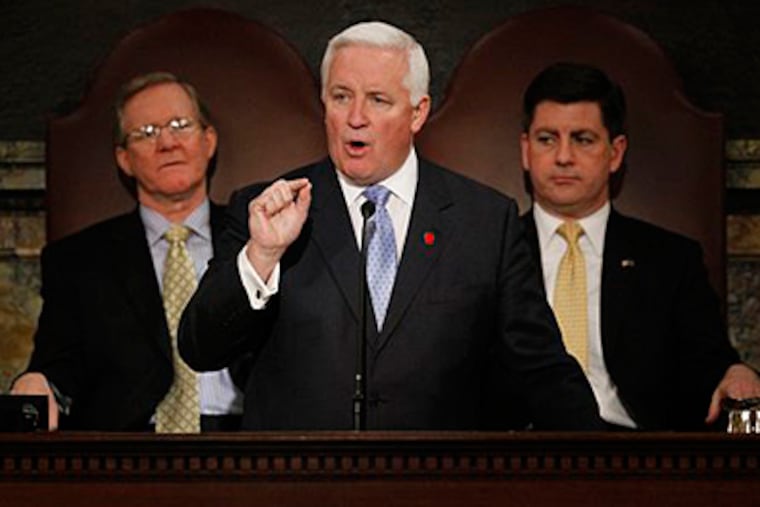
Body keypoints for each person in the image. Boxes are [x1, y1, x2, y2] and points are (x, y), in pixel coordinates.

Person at [178, 22, 604, 431]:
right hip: (301, 483)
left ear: (418, 113)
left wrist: (611, 472)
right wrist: (262, 255)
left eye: (378, 100)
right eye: (341, 96)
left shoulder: (484, 221)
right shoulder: (267, 210)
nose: (355, 117)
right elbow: (202, 347)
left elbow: (540, 368)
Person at [519, 62, 760, 430]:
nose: (563, 156)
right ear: (526, 150)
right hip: (513, 457)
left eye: (582, 139)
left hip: (638, 458)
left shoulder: (670, 260)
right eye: (547, 139)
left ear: (615, 152)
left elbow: (713, 363)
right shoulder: (486, 251)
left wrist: (736, 372)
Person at [11, 72, 246, 432]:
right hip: (126, 454)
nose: (167, 142)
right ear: (124, 158)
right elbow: (57, 368)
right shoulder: (78, 261)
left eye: (180, 125)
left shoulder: (258, 237)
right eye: (147, 133)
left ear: (208, 140)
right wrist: (36, 383)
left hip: (251, 446)